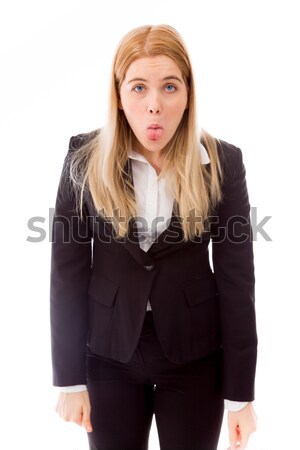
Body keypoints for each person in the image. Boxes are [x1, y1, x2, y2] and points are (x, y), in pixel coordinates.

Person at [50, 24, 258, 450]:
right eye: (139, 87)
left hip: (195, 355)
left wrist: (240, 396)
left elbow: (238, 280)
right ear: (119, 94)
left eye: (169, 87)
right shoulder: (83, 158)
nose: (154, 106)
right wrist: (69, 379)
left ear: (188, 92)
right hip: (108, 354)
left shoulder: (222, 163)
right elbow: (66, 271)